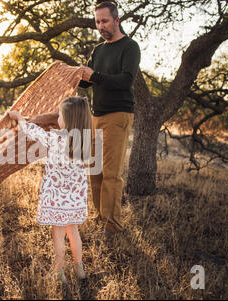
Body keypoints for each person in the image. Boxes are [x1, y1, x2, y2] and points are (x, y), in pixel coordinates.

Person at [7, 97, 92, 283]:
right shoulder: (85, 141)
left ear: (68, 119)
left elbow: (33, 131)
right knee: (74, 232)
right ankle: (80, 269)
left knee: (58, 236)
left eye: (60, 115)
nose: (57, 118)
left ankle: (59, 272)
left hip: (57, 200)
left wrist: (19, 118)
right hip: (75, 200)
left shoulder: (56, 138)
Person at [79, 1, 141, 240]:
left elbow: (125, 81)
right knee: (95, 172)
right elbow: (89, 81)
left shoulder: (130, 47)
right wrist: (75, 74)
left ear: (116, 20)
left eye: (104, 21)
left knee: (111, 174)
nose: (100, 26)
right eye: (97, 22)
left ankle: (112, 228)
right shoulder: (98, 50)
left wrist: (94, 75)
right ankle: (101, 218)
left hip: (118, 115)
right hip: (97, 115)